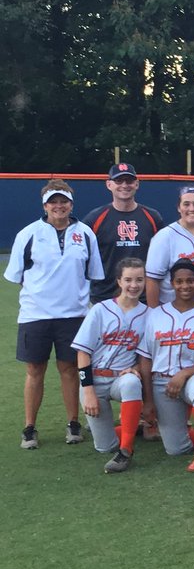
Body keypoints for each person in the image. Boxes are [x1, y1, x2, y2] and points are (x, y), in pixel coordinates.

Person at [5, 178, 104, 449]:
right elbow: (16, 276)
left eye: (64, 201)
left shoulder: (85, 233)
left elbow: (93, 273)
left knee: (70, 369)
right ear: (45, 205)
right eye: (53, 201)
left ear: (71, 203)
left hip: (73, 314)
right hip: (35, 315)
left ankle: (73, 423)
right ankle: (29, 427)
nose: (59, 206)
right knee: (34, 369)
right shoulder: (28, 234)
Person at [137, 259, 194, 470]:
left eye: (190, 281)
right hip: (161, 384)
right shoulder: (156, 315)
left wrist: (185, 373)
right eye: (180, 281)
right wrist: (148, 400)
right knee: (176, 449)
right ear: (172, 283)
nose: (185, 286)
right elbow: (146, 359)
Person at [71, 257, 150, 473]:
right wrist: (88, 391)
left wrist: (134, 365)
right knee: (104, 447)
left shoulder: (148, 314)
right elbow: (83, 351)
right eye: (128, 279)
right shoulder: (100, 310)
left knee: (132, 383)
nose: (134, 285)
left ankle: (126, 450)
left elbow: (145, 355)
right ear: (119, 281)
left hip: (121, 378)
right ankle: (133, 427)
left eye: (139, 279)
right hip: (95, 380)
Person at [83, 163, 163, 303]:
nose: (125, 185)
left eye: (129, 181)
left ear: (137, 184)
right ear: (109, 185)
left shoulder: (152, 217)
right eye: (119, 181)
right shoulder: (95, 219)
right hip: (104, 298)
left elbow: (162, 258)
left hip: (143, 298)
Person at [144, 186, 194, 310]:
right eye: (186, 204)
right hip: (172, 307)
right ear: (179, 207)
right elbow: (152, 280)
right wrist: (153, 314)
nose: (192, 209)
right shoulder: (164, 237)